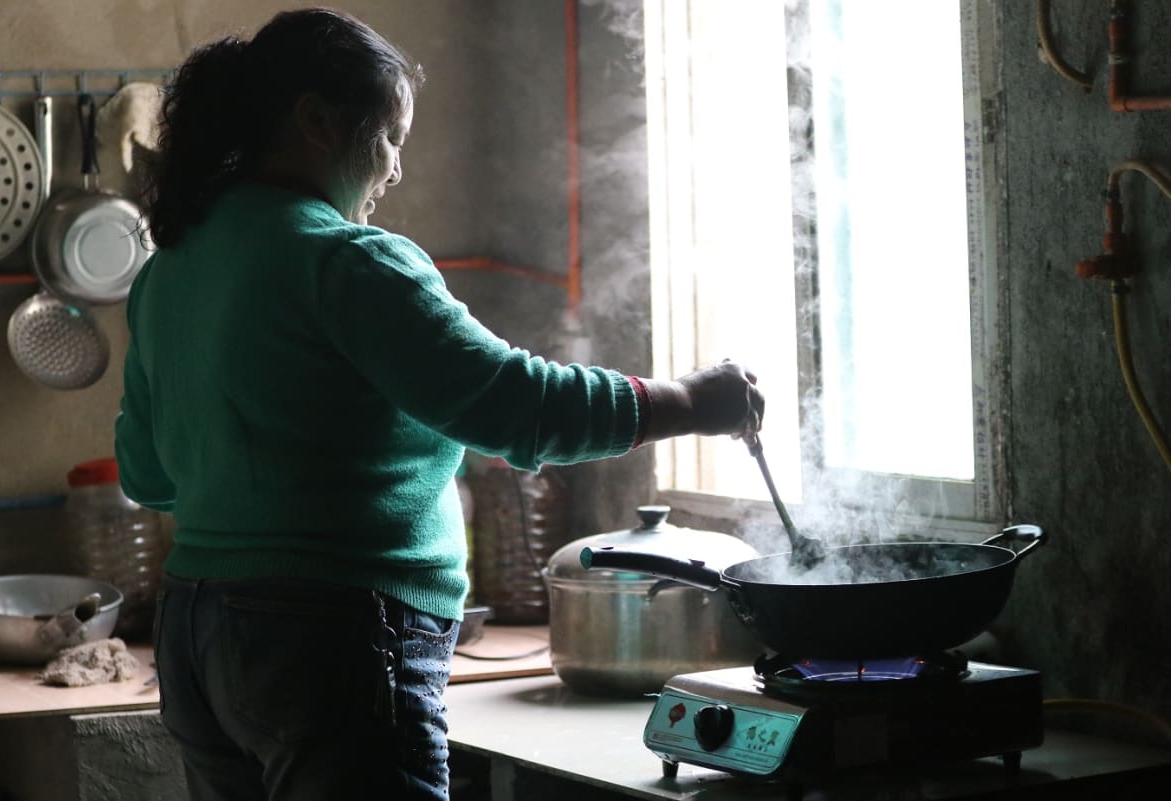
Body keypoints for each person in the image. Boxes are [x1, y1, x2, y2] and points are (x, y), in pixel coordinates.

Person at [114, 8, 764, 801]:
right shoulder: (344, 262)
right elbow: (514, 405)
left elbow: (148, 475)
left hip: (194, 636)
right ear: (316, 121)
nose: (393, 168)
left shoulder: (170, 270)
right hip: (328, 637)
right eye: (388, 136)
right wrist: (691, 400)